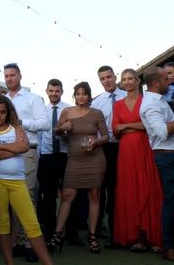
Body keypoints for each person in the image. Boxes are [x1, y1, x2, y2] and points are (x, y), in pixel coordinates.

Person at [0, 94, 53, 265]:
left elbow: (25, 146)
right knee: (2, 222)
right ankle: (9, 262)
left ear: (8, 112)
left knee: (31, 223)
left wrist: (2, 146)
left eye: (3, 112)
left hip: (17, 181)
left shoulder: (16, 128)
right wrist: (14, 148)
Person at [49, 82, 108, 254]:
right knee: (67, 195)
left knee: (94, 196)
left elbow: (105, 135)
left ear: (89, 96)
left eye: (84, 93)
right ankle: (58, 234)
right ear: (74, 95)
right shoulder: (67, 112)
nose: (81, 96)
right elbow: (56, 130)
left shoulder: (97, 113)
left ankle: (92, 236)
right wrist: (63, 128)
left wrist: (96, 141)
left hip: (95, 159)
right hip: (74, 159)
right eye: (78, 93)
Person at [3, 62, 49, 262]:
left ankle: (32, 243)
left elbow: (45, 124)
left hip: (28, 152)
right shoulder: (2, 100)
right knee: (12, 199)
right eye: (6, 75)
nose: (9, 78)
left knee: (28, 197)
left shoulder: (32, 99)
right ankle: (20, 241)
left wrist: (22, 122)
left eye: (12, 75)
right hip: (5, 153)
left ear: (20, 76)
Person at [113, 68, 162, 251]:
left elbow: (151, 125)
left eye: (130, 79)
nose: (127, 82)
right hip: (126, 152)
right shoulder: (118, 104)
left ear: (137, 81)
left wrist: (127, 126)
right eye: (124, 79)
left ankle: (153, 237)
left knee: (148, 188)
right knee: (130, 190)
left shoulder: (146, 101)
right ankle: (136, 238)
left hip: (145, 149)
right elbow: (116, 128)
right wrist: (136, 126)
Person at [139, 66, 174, 262]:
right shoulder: (150, 104)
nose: (169, 80)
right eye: (165, 77)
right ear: (155, 83)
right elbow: (161, 131)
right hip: (167, 156)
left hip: (170, 154)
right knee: (171, 201)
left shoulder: (159, 100)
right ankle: (169, 247)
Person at [90, 65, 126, 248]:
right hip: (103, 149)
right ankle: (96, 232)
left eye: (109, 77)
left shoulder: (127, 96)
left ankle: (117, 234)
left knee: (118, 191)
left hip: (124, 147)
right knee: (100, 190)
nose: (106, 81)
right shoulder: (96, 103)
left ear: (115, 76)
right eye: (102, 78)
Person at [37, 79, 69, 241]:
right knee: (48, 196)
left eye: (57, 91)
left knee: (69, 195)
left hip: (66, 155)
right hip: (47, 156)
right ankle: (50, 232)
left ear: (62, 91)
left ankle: (70, 232)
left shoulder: (69, 109)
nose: (54, 94)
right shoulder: (42, 110)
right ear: (47, 91)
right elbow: (40, 134)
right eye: (51, 91)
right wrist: (40, 155)